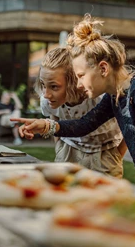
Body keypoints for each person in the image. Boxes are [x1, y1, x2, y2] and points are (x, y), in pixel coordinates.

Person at [13, 14, 135, 201]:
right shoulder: (116, 96)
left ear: (103, 69)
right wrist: (45, 126)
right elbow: (84, 125)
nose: (78, 84)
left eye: (81, 75)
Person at [34, 47, 127, 178]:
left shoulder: (98, 97)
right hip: (69, 150)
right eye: (43, 84)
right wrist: (59, 147)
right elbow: (54, 117)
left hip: (104, 152)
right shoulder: (48, 100)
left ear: (73, 82)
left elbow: (128, 124)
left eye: (54, 86)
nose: (46, 94)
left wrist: (116, 154)